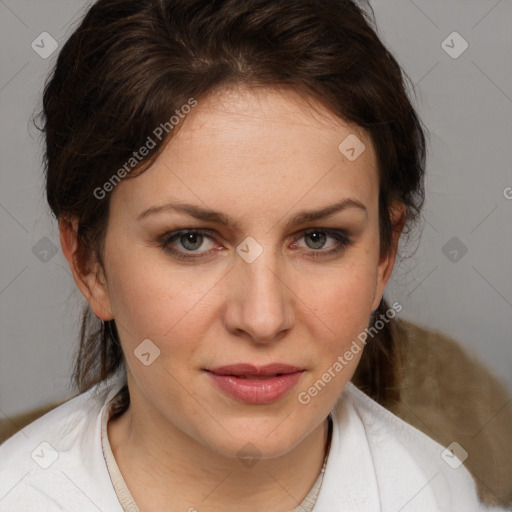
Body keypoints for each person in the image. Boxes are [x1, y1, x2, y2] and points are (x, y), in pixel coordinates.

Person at [0, 0, 507, 510]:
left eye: (318, 238)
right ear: (89, 264)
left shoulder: (440, 495)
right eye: (191, 240)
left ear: (385, 254)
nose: (263, 319)